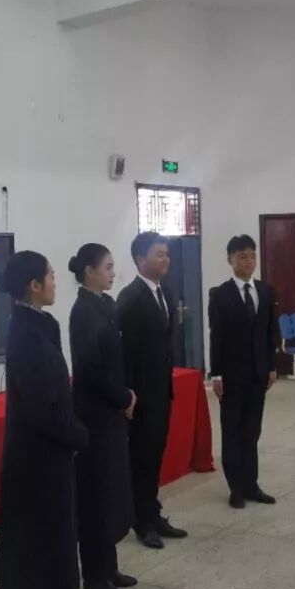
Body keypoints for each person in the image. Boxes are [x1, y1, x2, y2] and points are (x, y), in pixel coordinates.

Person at [0, 251, 88, 589]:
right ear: (33, 285)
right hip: (34, 466)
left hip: (47, 460)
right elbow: (42, 409)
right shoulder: (27, 337)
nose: (54, 281)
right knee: (32, 558)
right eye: (49, 276)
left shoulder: (37, 326)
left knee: (46, 554)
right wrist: (79, 436)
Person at [67, 244, 139, 589]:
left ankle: (109, 567)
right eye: (107, 267)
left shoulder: (106, 305)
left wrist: (125, 395)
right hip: (94, 414)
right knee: (95, 495)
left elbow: (115, 360)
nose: (113, 273)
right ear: (89, 271)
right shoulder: (82, 311)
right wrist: (123, 397)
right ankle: (95, 574)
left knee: (111, 492)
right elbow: (90, 370)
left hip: (111, 411)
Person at [117, 231, 187, 550]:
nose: (165, 260)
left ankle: (153, 513)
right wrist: (128, 395)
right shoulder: (130, 298)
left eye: (166, 254)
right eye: (159, 254)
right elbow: (124, 353)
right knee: (140, 459)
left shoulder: (165, 293)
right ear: (140, 259)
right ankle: (141, 521)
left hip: (161, 391)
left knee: (154, 455)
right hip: (140, 396)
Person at [209, 235, 280, 509]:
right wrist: (217, 374)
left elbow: (270, 332)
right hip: (231, 375)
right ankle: (235, 488)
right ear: (230, 260)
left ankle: (252, 484)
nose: (249, 261)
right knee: (232, 430)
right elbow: (216, 336)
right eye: (242, 256)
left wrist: (271, 366)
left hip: (259, 373)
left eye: (252, 255)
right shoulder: (220, 294)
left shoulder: (265, 291)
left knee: (252, 431)